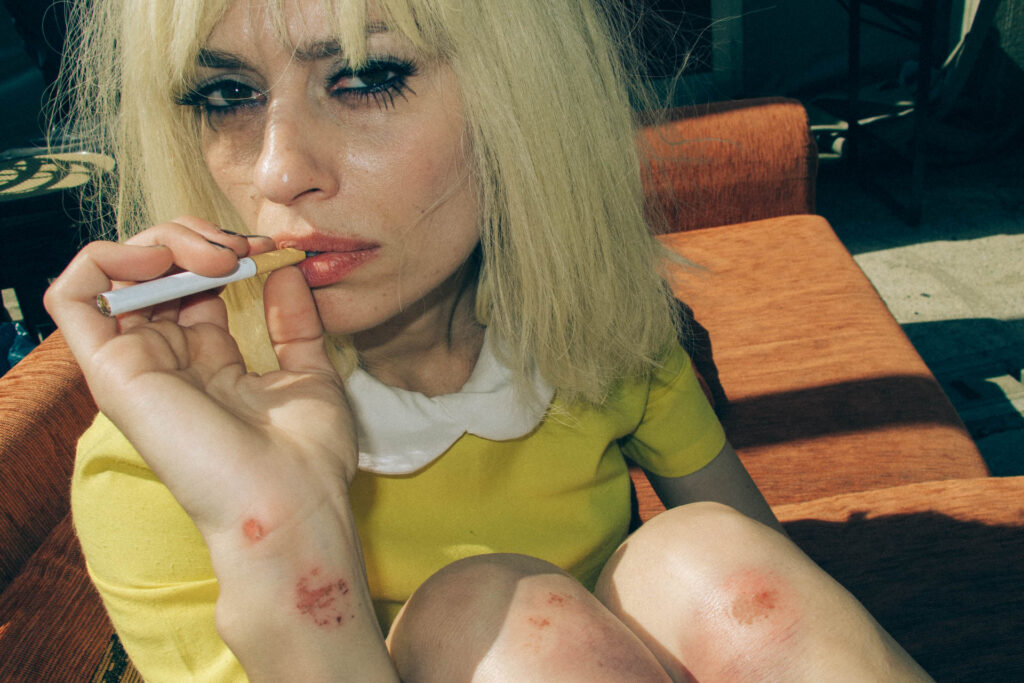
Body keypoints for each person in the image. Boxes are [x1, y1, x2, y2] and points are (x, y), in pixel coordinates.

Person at [44, 0, 933, 680]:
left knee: (708, 558)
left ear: (523, 102)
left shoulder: (597, 333)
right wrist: (277, 537)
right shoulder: (156, 466)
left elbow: (771, 581)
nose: (279, 171)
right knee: (491, 613)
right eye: (226, 95)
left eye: (364, 77)